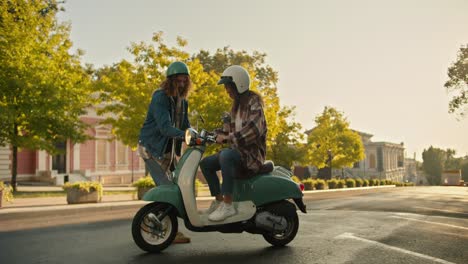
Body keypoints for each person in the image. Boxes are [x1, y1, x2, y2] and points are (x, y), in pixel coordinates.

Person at [200, 65, 267, 222]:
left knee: (226, 155)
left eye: (228, 86)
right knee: (205, 164)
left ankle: (228, 205)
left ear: (239, 84)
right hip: (237, 155)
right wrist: (210, 135)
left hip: (251, 157)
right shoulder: (236, 106)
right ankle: (219, 201)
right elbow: (226, 130)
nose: (226, 90)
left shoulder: (253, 102)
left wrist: (228, 138)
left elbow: (254, 129)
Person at [137, 61, 192, 243]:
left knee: (175, 188)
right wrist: (186, 137)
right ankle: (169, 232)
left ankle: (168, 228)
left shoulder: (182, 102)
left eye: (185, 81)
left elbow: (186, 127)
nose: (182, 84)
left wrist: (198, 135)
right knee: (168, 190)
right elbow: (165, 128)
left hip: (169, 152)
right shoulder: (160, 97)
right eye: (179, 80)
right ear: (170, 80)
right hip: (152, 149)